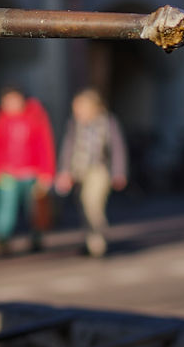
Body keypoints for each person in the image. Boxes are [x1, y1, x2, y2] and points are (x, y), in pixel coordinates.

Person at [54, 89, 128, 257]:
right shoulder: (74, 124)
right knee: (83, 205)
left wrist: (119, 172)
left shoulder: (108, 122)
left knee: (92, 203)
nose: (77, 112)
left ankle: (97, 241)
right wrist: (64, 171)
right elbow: (68, 148)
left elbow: (117, 148)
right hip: (79, 170)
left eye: (80, 107)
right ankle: (90, 240)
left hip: (99, 169)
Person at [0, 86, 56, 255]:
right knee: (5, 207)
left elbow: (45, 144)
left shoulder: (36, 116)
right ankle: (1, 238)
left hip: (31, 172)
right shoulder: (0, 118)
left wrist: (47, 172)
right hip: (7, 173)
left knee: (35, 208)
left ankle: (37, 236)